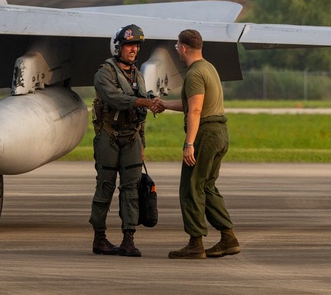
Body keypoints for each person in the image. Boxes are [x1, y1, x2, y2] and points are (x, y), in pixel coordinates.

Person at [160, 29, 241, 259]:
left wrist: (189, 144)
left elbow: (195, 110)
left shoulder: (194, 74)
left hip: (205, 133)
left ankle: (195, 243)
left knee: (191, 187)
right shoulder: (208, 68)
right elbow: (192, 104)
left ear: (184, 48)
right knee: (206, 187)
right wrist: (163, 105)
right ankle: (228, 238)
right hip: (219, 132)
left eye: (177, 45)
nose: (176, 49)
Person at [89, 24, 162, 257]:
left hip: (132, 137)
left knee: (131, 189)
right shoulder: (104, 73)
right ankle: (99, 238)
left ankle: (128, 239)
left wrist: (142, 142)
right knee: (105, 187)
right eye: (130, 45)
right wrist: (142, 102)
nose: (133, 50)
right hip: (108, 136)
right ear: (118, 46)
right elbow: (115, 98)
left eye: (137, 46)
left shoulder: (137, 75)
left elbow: (140, 113)